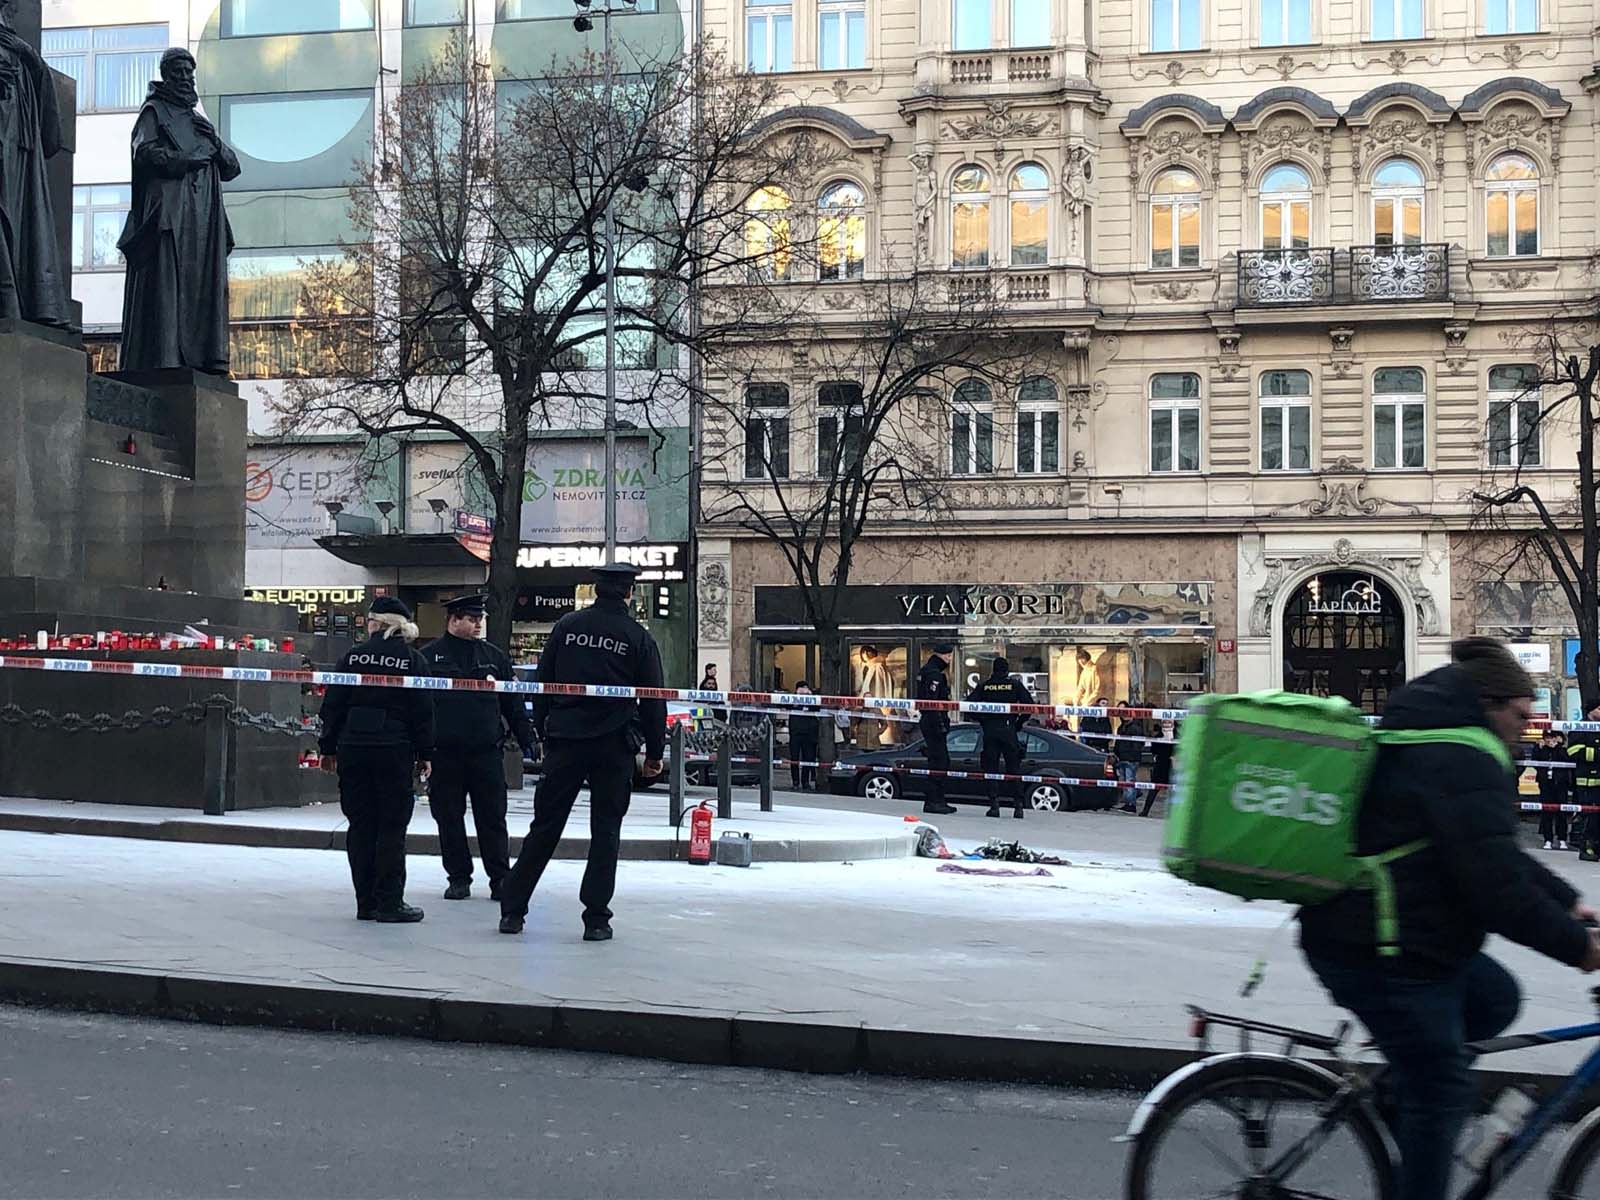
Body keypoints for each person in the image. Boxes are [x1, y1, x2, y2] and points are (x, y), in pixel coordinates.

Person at [1299, 638, 1600, 1200]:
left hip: (1407, 938)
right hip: (1374, 947)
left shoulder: (1444, 742)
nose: (1528, 724)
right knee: (1443, 1085)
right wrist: (1579, 949)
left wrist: (1567, 903)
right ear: (1489, 703)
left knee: (1495, 999)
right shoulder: (1461, 756)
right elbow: (1496, 889)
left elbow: (1490, 852)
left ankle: (1398, 1097)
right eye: (1520, 712)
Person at [499, 562, 667, 941]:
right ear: (629, 593)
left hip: (566, 741)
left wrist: (545, 729)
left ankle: (513, 909)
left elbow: (542, 683)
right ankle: (596, 918)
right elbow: (653, 698)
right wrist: (654, 750)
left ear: (596, 591)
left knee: (545, 827)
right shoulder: (637, 637)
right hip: (613, 745)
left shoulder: (567, 627)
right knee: (606, 831)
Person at [118, 48, 242, 374]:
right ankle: (167, 358)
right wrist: (182, 161)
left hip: (202, 222)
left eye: (189, 72)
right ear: (166, 74)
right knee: (168, 287)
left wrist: (215, 141)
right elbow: (143, 152)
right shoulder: (154, 111)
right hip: (170, 215)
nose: (186, 79)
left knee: (200, 289)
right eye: (178, 72)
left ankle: (204, 357)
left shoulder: (199, 122)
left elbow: (232, 168)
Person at [317, 597, 435, 924]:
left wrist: (327, 748)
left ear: (378, 623)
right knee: (392, 827)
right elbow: (423, 713)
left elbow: (334, 705)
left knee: (361, 825)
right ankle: (390, 902)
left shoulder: (351, 657)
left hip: (353, 749)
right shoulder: (413, 661)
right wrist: (426, 754)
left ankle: (365, 902)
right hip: (393, 750)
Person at [420, 593, 535, 902]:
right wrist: (421, 750)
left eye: (480, 619)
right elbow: (419, 707)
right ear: (453, 619)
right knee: (448, 816)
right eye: (472, 619)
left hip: (485, 751)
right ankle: (458, 877)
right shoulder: (429, 657)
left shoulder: (493, 657)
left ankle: (499, 878)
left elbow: (512, 702)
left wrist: (527, 738)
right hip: (444, 752)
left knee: (493, 817)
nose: (477, 625)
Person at [966, 657, 1034, 819]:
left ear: (993, 669)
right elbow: (1029, 705)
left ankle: (994, 805)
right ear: (1007, 669)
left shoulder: (985, 685)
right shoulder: (1014, 684)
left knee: (991, 769)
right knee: (1014, 769)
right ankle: (1018, 806)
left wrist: (983, 720)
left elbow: (968, 706)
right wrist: (1018, 723)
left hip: (990, 731)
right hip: (1008, 729)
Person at [915, 644, 958, 815]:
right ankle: (934, 801)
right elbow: (931, 702)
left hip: (932, 721)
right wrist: (940, 724)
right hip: (934, 722)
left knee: (939, 761)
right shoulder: (933, 673)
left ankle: (938, 799)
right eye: (948, 656)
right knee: (939, 762)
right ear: (941, 655)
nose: (949, 659)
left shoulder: (929, 671)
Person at [1569, 706, 1600, 861]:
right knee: (1588, 815)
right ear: (1590, 711)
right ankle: (1585, 847)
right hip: (1586, 782)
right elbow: (1573, 751)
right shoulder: (1580, 727)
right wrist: (1596, 753)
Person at [1535, 729, 1572, 850]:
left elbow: (1567, 760)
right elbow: (1535, 762)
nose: (1549, 740)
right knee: (1546, 812)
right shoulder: (1541, 750)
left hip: (1560, 784)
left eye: (1552, 737)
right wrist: (1538, 748)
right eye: (1547, 737)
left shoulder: (1562, 750)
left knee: (1561, 812)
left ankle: (1562, 839)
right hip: (1546, 784)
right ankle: (1548, 839)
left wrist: (1557, 747)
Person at [787, 682, 820, 792]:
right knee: (794, 758)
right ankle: (795, 781)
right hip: (795, 734)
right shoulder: (793, 699)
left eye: (806, 688)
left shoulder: (811, 700)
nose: (804, 691)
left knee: (808, 758)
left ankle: (805, 782)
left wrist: (811, 696)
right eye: (801, 689)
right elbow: (782, 704)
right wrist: (796, 696)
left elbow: (818, 706)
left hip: (809, 734)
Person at [1141, 719, 1176, 818]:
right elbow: (1153, 749)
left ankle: (1173, 814)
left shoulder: (1177, 735)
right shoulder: (1158, 736)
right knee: (1153, 789)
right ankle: (1145, 811)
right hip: (1160, 765)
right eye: (1164, 722)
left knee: (1174, 791)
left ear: (1173, 723)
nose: (1166, 724)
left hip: (1173, 765)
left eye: (1169, 722)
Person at [1112, 703, 1144, 813]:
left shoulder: (1135, 727)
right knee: (1125, 781)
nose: (1124, 714)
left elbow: (1138, 744)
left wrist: (1131, 756)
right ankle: (1133, 797)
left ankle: (1131, 805)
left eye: (1125, 711)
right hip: (1122, 757)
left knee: (1129, 781)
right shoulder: (1121, 727)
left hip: (1130, 759)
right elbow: (1118, 742)